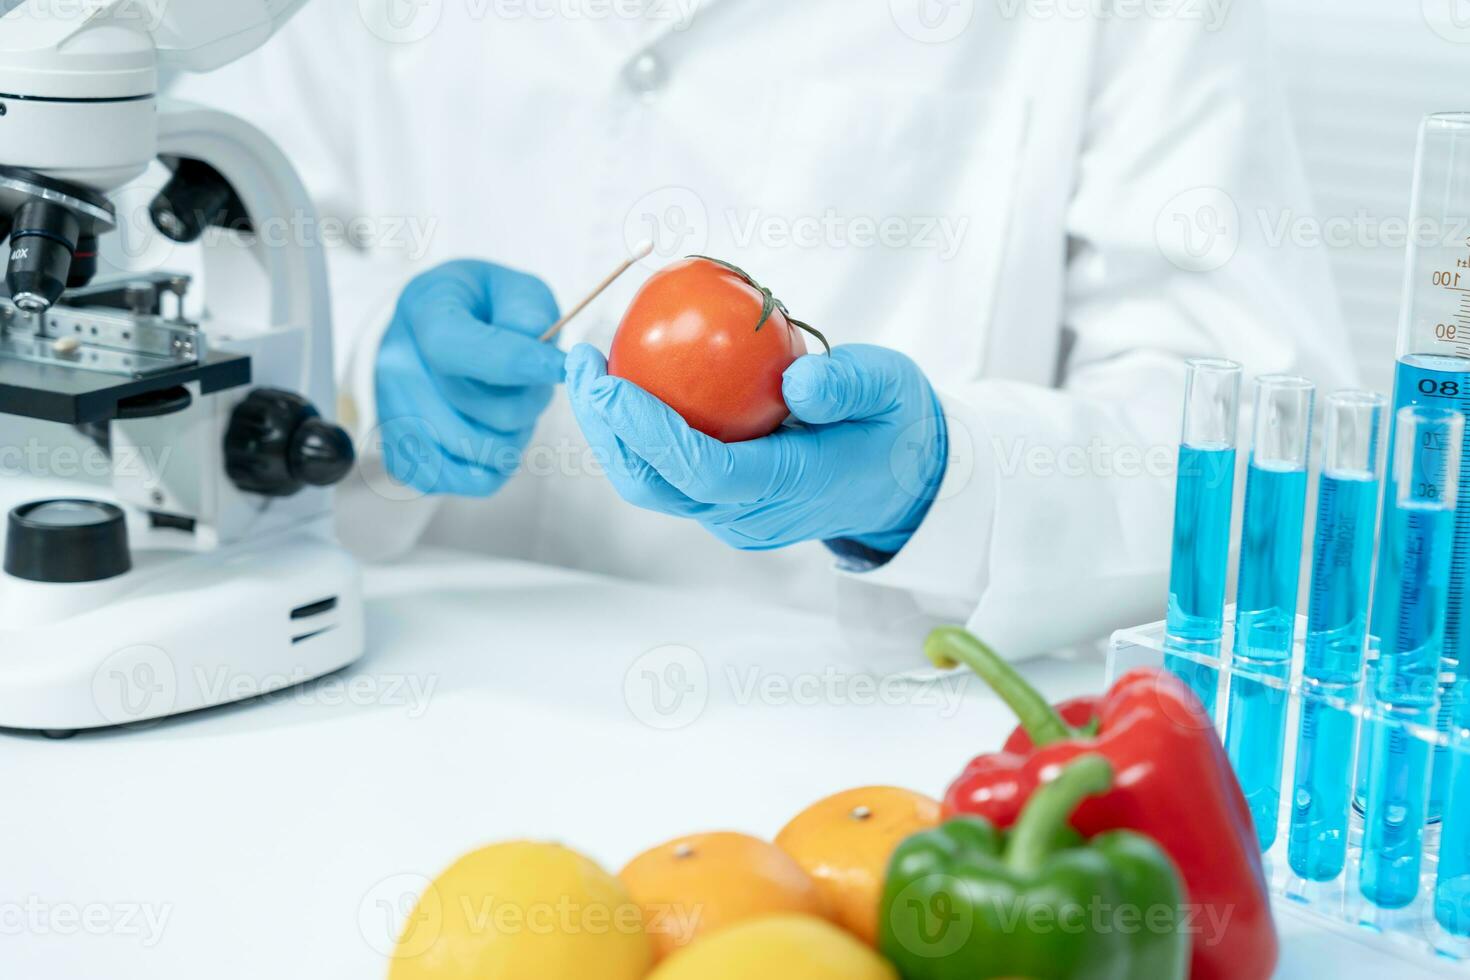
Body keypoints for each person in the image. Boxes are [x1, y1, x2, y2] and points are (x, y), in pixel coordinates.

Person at [169, 0, 1354, 662]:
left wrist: (943, 480)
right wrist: (369, 348)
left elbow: (1267, 448)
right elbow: (194, 227)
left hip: (850, 766)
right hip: (391, 681)